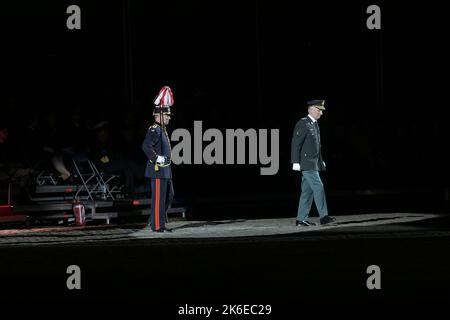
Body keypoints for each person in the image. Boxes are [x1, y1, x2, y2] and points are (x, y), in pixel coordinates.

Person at [291, 99, 336, 226]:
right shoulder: (303, 123)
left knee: (307, 192)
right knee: (318, 187)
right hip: (307, 164)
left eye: (321, 110)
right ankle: (324, 216)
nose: (321, 113)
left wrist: (321, 161)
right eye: (319, 110)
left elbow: (316, 146)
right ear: (310, 109)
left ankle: (301, 219)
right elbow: (296, 144)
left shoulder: (314, 124)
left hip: (313, 163)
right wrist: (295, 161)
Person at [142, 87, 175, 232]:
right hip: (158, 169)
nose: (169, 117)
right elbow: (146, 146)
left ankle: (157, 220)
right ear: (159, 116)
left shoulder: (162, 130)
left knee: (169, 195)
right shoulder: (154, 129)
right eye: (166, 115)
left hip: (165, 170)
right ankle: (157, 225)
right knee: (158, 199)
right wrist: (157, 159)